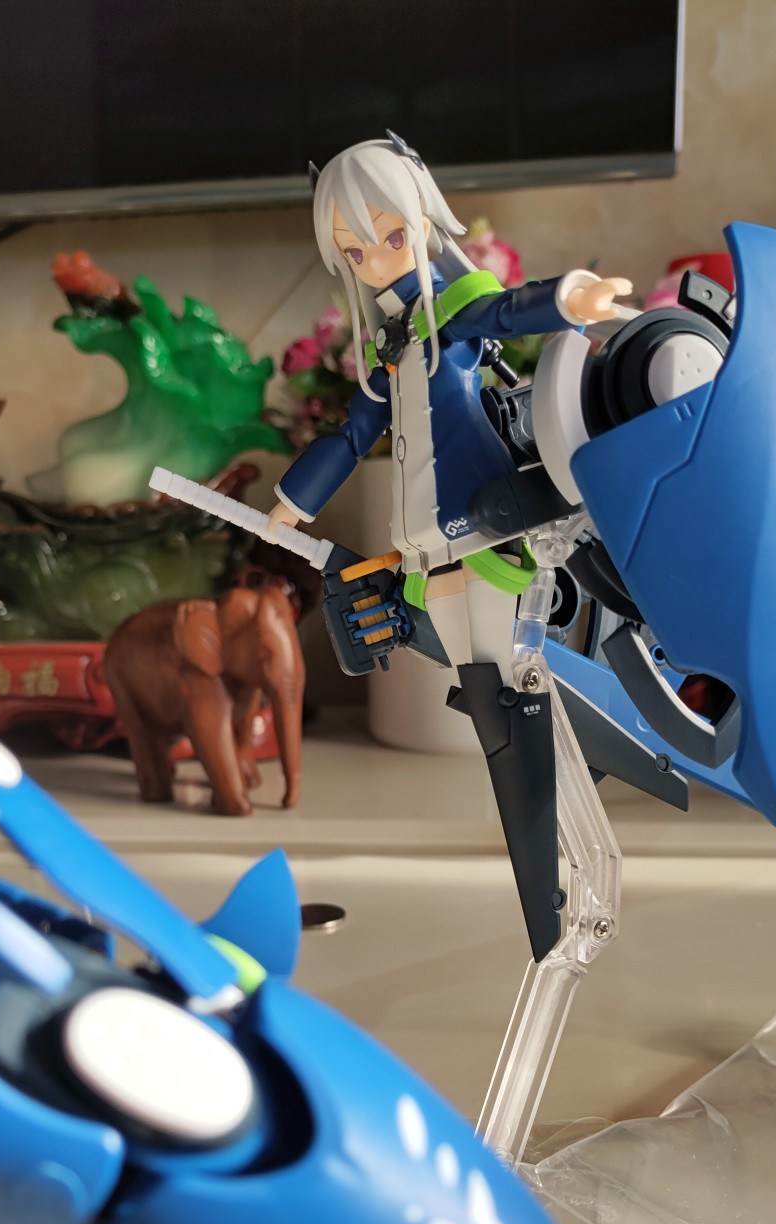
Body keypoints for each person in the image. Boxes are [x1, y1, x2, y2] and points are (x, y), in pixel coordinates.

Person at [269, 132, 631, 961]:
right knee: (495, 702)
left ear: (424, 219)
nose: (375, 261)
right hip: (431, 555)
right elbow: (352, 434)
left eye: (391, 237)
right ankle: (547, 899)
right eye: (354, 251)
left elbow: (508, 311)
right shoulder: (389, 342)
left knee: (518, 697)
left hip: (488, 531)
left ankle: (553, 890)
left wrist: (572, 298)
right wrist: (293, 502)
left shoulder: (453, 310)